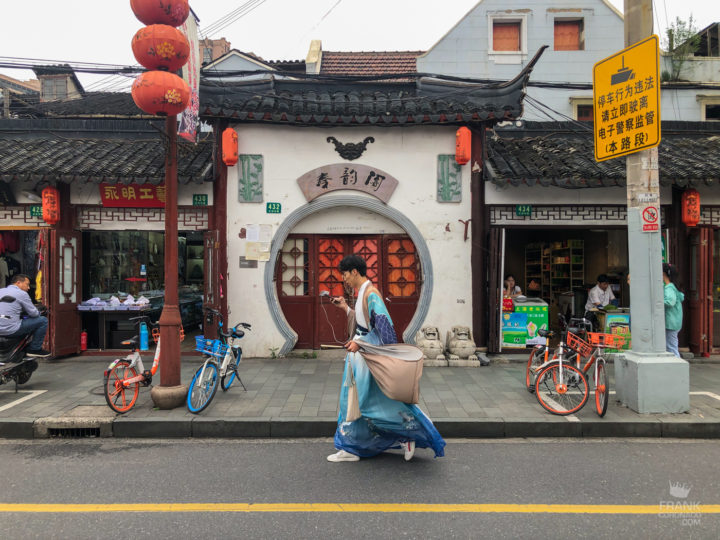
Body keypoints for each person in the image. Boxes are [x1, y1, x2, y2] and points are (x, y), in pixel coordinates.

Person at [326, 254, 445, 463]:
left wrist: (360, 344)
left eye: (345, 274)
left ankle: (404, 435)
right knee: (361, 402)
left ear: (355, 272)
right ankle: (353, 446)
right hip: (360, 358)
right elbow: (366, 325)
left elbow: (385, 331)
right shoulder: (364, 292)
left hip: (366, 359)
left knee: (364, 403)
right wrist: (345, 308)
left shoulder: (371, 294)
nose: (344, 279)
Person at [0, 274, 50, 358]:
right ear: (18, 283)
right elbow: (33, 313)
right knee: (42, 320)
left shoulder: (1, 291)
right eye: (27, 284)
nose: (29, 287)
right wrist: (39, 312)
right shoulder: (22, 294)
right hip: (11, 329)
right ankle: (35, 349)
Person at [663, 263, 684, 357]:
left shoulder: (669, 288)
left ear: (663, 274)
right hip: (675, 321)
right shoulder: (674, 287)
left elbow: (670, 302)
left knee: (671, 347)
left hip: (670, 322)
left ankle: (678, 368)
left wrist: (657, 301)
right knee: (671, 346)